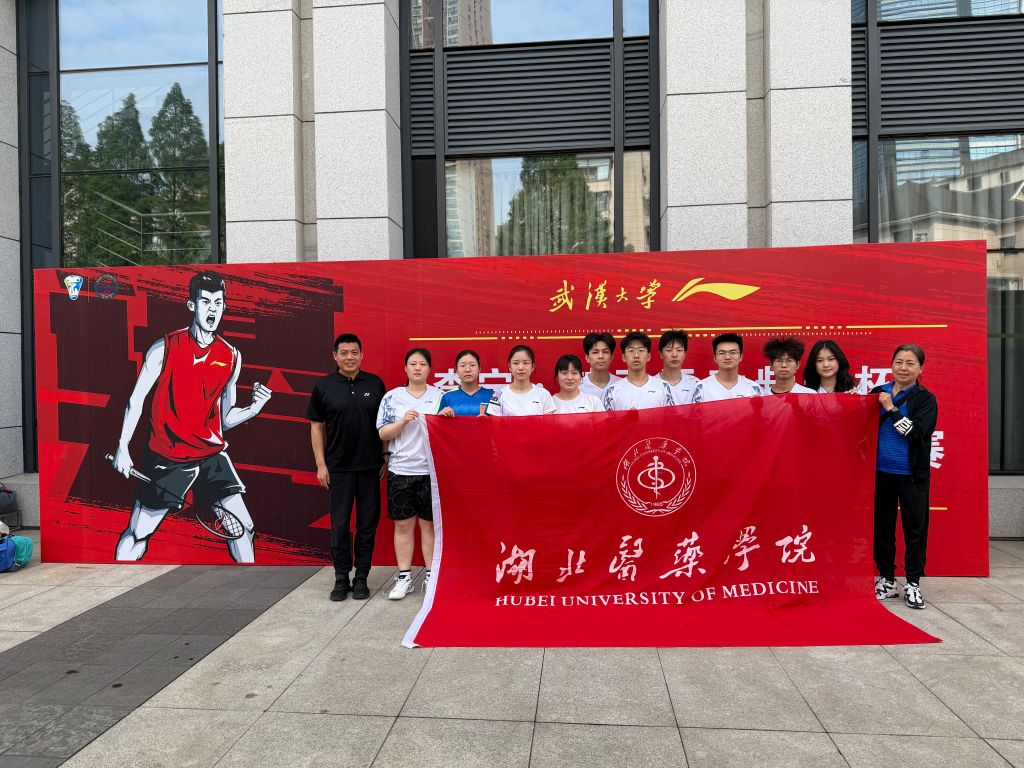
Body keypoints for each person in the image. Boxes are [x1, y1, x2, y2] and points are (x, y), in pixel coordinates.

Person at [111, 271, 272, 563]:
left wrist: (253, 409)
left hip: (211, 455)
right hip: (167, 458)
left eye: (218, 303)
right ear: (192, 305)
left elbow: (225, 420)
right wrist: (123, 446)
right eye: (206, 301)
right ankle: (116, 580)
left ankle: (248, 584)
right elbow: (135, 401)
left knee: (244, 529)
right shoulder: (164, 348)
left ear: (224, 307)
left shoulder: (231, 357)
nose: (212, 309)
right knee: (137, 534)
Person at [307, 333, 387, 602]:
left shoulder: (375, 384)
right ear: (335, 356)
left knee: (367, 525)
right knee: (340, 525)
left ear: (362, 355)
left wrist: (385, 456)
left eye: (354, 352)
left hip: (370, 467)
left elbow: (385, 423)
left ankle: (361, 577)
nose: (349, 357)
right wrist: (321, 465)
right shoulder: (324, 386)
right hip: (338, 468)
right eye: (344, 353)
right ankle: (341, 577)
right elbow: (316, 427)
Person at [870, 344, 937, 610]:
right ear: (891, 364)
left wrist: (891, 408)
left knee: (915, 530)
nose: (903, 368)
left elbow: (915, 432)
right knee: (882, 528)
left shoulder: (925, 399)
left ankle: (913, 583)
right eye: (899, 362)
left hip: (912, 476)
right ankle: (886, 579)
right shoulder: (878, 392)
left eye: (910, 363)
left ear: (920, 369)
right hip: (880, 473)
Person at [376, 348, 441, 600]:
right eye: (413, 364)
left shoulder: (440, 396)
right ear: (405, 368)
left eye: (422, 364)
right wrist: (403, 421)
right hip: (400, 470)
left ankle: (431, 576)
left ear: (429, 369)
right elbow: (383, 433)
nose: (417, 368)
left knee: (429, 526)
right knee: (403, 525)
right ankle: (404, 577)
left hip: (430, 472)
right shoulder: (392, 397)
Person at [602, 332, 674, 411]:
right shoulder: (612, 390)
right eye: (631, 350)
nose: (636, 355)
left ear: (648, 356)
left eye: (641, 350)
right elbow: (608, 419)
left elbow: (671, 417)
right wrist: (626, 418)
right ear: (623, 357)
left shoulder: (663, 387)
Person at [486, 345, 557, 416]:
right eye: (516, 363)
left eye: (525, 363)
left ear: (532, 367)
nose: (521, 368)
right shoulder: (499, 395)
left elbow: (548, 422)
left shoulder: (543, 394)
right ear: (510, 367)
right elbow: (495, 422)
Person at [691, 333, 763, 402]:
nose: (727, 357)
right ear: (715, 357)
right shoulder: (702, 387)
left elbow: (761, 410)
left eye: (733, 352)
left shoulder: (753, 388)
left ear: (741, 357)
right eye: (722, 353)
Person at [438, 350, 493, 417]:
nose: (467, 370)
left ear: (479, 368)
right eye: (462, 365)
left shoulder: (492, 396)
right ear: (456, 370)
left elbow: (499, 422)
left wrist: (489, 420)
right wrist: (441, 416)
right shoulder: (447, 397)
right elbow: (438, 422)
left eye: (472, 365)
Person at [652, 329, 700, 405]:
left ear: (684, 354)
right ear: (661, 354)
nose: (674, 355)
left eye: (679, 350)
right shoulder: (651, 384)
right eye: (669, 350)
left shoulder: (695, 384)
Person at [579, 332, 622, 400]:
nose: (600, 356)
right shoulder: (578, 386)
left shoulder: (621, 385)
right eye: (595, 352)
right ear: (587, 358)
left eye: (605, 352)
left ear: (611, 357)